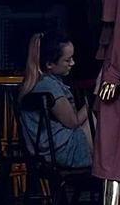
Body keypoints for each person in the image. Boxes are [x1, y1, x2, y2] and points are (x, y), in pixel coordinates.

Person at [19, 30, 94, 170]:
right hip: (63, 151)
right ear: (49, 64)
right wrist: (95, 100)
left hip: (47, 150)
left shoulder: (35, 83)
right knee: (104, 116)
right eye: (67, 59)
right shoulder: (49, 86)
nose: (73, 63)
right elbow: (73, 122)